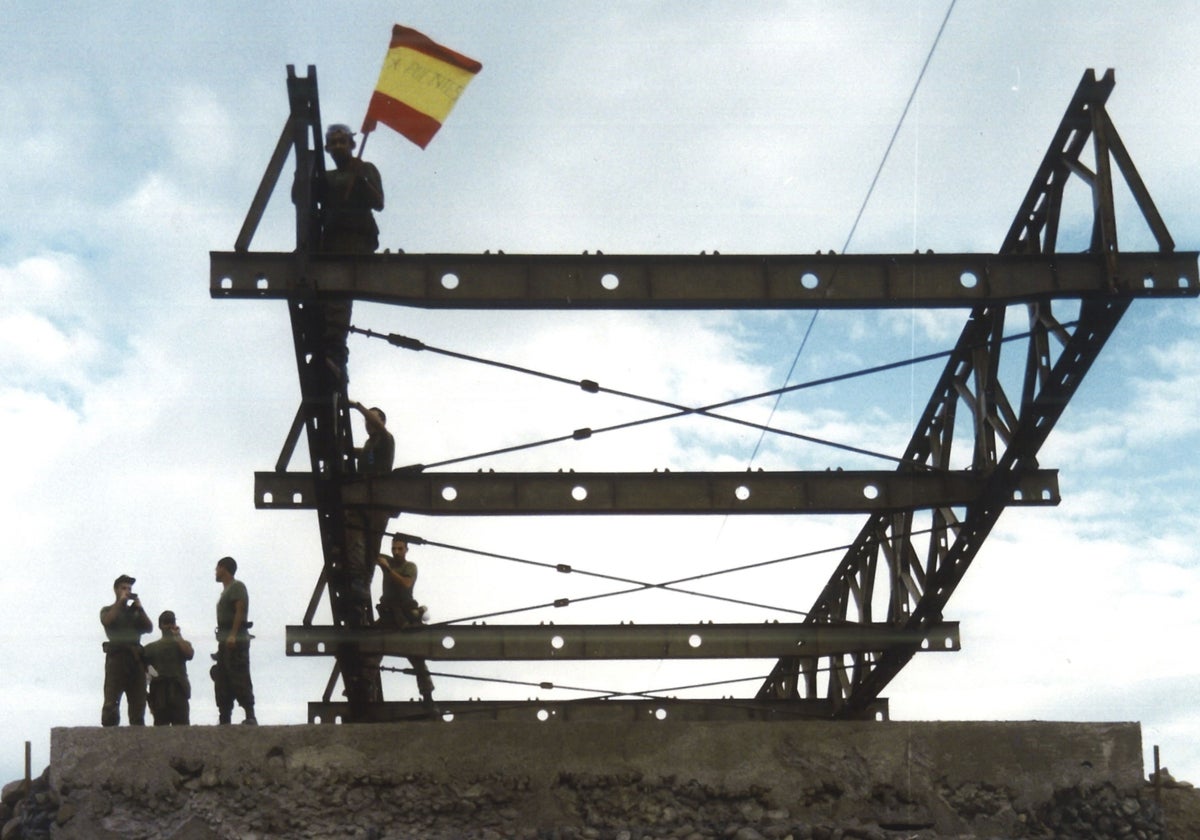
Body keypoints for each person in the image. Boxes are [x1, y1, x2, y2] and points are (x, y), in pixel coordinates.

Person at [376, 536, 434, 705]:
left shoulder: (410, 566)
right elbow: (371, 554)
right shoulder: (387, 560)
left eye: (400, 549)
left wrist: (388, 569)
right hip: (388, 614)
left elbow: (406, 583)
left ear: (406, 549)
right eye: (393, 549)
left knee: (417, 657)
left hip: (405, 614)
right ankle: (361, 688)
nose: (396, 552)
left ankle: (428, 697)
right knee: (369, 648)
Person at [100, 574, 153, 726]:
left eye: (129, 588)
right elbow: (107, 621)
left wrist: (140, 608)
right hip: (117, 658)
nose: (127, 591)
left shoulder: (135, 613)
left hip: (135, 659)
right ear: (116, 590)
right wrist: (121, 601)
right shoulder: (108, 609)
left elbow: (149, 628)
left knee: (138, 703)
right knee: (111, 703)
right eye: (123, 588)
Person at [212, 556, 256, 724]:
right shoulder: (226, 591)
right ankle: (225, 717)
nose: (216, 572)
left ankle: (250, 715)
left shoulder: (237, 587)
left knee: (239, 674)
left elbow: (240, 610)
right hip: (224, 640)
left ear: (224, 568)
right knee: (222, 678)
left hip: (235, 639)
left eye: (217, 568)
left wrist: (233, 634)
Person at [142, 610, 194, 726]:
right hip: (160, 693)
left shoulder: (182, 644)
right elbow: (145, 674)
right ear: (160, 626)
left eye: (171, 622)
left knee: (182, 731)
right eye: (167, 623)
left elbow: (189, 654)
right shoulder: (150, 649)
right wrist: (148, 697)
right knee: (162, 734)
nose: (169, 625)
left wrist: (178, 636)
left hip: (178, 691)